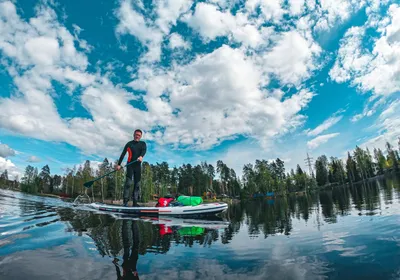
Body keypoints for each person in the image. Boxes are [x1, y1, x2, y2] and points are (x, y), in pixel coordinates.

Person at [116, 129, 147, 207]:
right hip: (130, 165)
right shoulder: (129, 144)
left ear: (141, 136)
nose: (137, 136)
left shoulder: (143, 144)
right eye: (136, 134)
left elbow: (144, 150)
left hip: (138, 166)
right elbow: (123, 154)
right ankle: (125, 202)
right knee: (128, 184)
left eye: (139, 135)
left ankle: (135, 203)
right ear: (134, 135)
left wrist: (141, 156)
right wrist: (119, 164)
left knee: (137, 185)